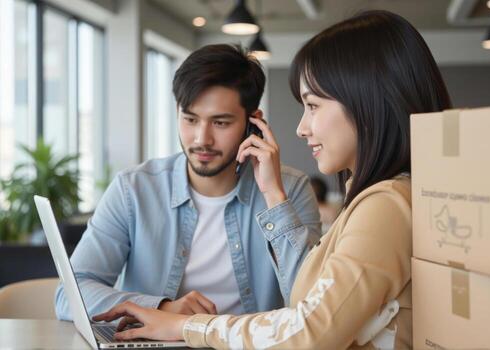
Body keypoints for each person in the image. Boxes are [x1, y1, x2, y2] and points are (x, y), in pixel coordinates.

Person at [93, 10, 452, 349]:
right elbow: (313, 304)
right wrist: (166, 310)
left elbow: (308, 328)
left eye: (312, 106)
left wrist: (185, 326)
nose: (301, 128)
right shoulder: (375, 200)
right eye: (189, 119)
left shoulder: (385, 205)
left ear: (366, 102)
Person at [55, 44, 322, 320]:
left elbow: (313, 304)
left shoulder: (290, 189)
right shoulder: (133, 190)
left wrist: (273, 196)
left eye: (220, 123)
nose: (201, 139)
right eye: (190, 119)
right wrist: (163, 308)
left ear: (253, 122)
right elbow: (69, 295)